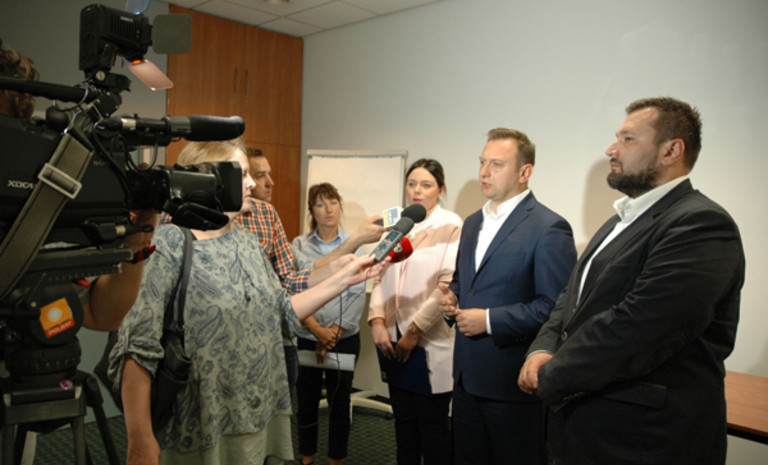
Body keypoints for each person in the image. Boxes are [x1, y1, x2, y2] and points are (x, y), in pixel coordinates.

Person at [109, 140, 385, 465]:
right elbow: (138, 347)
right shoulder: (169, 243)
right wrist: (139, 438)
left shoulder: (247, 241)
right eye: (242, 175)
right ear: (208, 179)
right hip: (202, 420)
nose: (252, 183)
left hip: (255, 413)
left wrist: (345, 278)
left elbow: (283, 309)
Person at [518, 97, 745, 465]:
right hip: (587, 426)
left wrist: (553, 374)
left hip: (643, 439)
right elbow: (571, 298)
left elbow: (641, 326)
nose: (611, 149)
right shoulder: (621, 219)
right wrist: (542, 348)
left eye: (627, 139)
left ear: (671, 150)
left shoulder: (700, 223)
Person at [438, 128, 576, 465]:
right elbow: (464, 282)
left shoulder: (549, 227)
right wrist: (452, 298)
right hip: (465, 379)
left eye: (496, 164)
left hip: (512, 386)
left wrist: (488, 320)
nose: (484, 172)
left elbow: (557, 309)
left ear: (524, 172)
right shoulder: (472, 222)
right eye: (482, 162)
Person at [368, 158, 463, 465]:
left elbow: (446, 286)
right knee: (404, 429)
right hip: (392, 340)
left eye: (426, 185)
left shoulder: (451, 224)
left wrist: (414, 331)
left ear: (441, 189)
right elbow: (378, 273)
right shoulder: (398, 222)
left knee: (433, 432)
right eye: (411, 184)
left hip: (428, 342)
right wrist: (377, 320)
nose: (417, 191)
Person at [291, 183, 366, 465]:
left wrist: (332, 333)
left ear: (340, 206)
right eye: (321, 204)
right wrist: (316, 331)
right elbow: (295, 288)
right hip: (308, 335)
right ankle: (307, 456)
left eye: (333, 202)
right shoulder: (299, 246)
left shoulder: (354, 245)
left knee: (339, 402)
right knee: (306, 401)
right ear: (312, 211)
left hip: (343, 338)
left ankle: (336, 458)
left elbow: (357, 290)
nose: (328, 210)